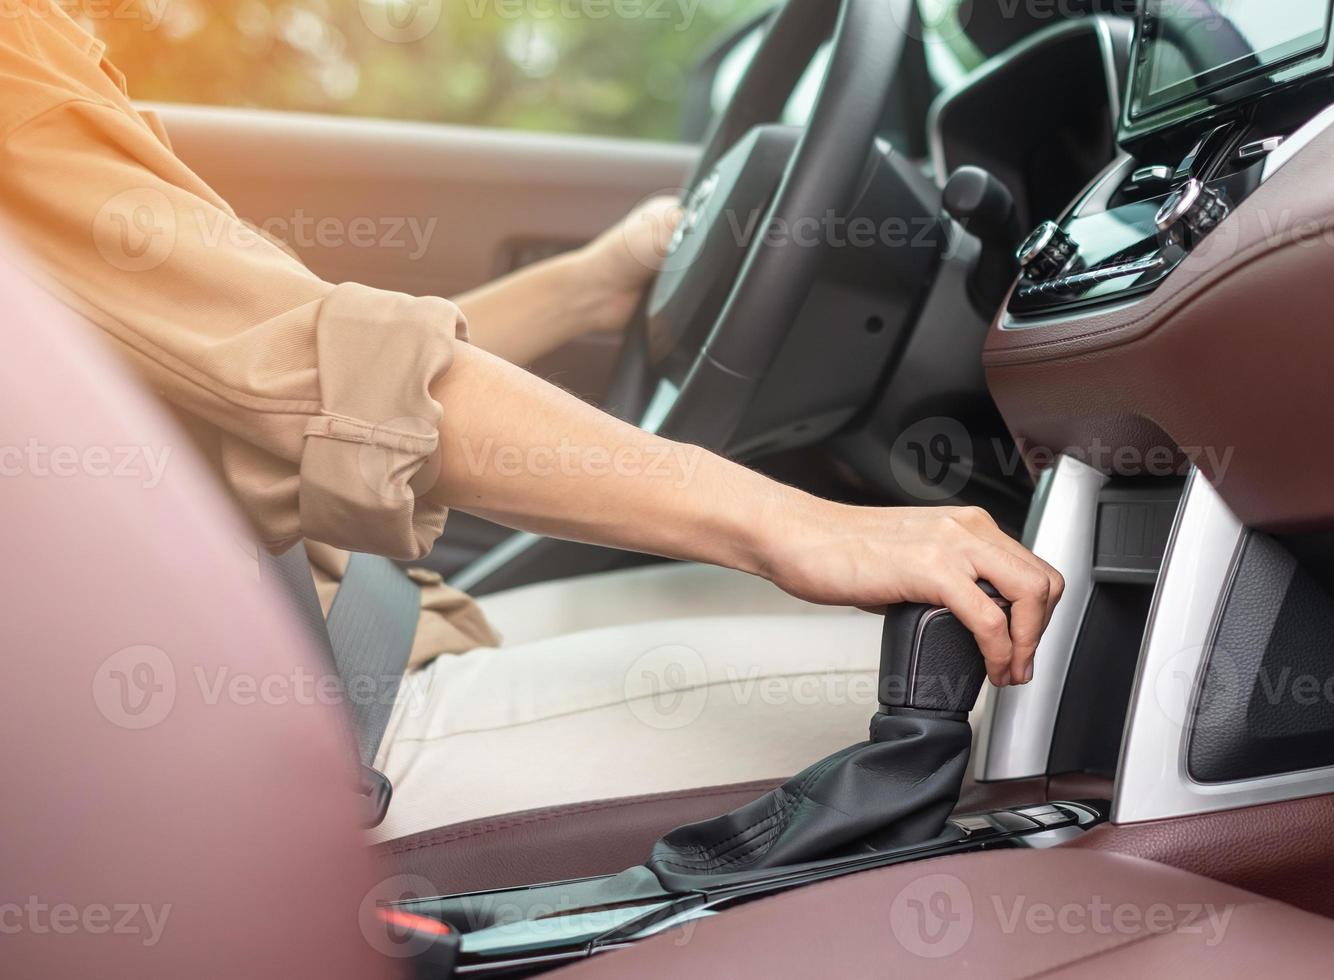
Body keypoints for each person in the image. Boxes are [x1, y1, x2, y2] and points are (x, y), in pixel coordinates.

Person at [0, 0, 1063, 840]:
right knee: (1035, 706)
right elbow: (318, 378)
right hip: (300, 744)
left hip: (342, 638)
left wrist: (595, 285)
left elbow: (256, 353)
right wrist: (803, 524)